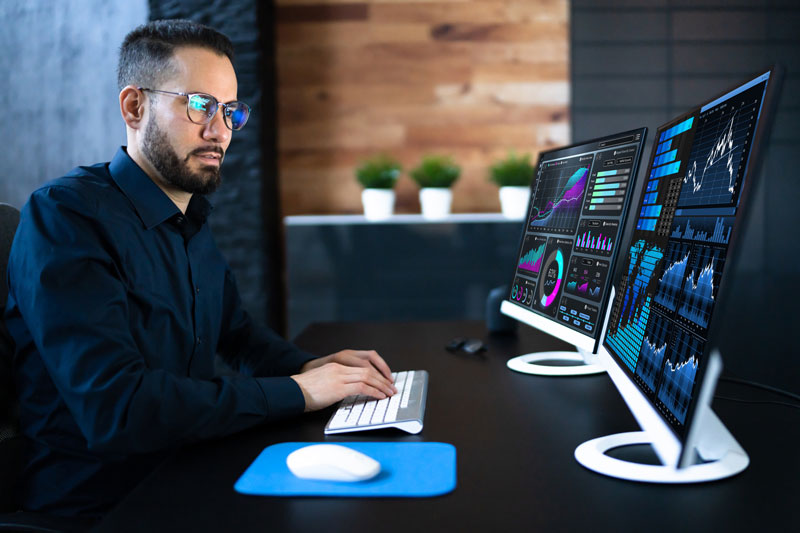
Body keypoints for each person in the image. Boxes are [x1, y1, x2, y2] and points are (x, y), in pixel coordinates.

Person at [4, 19, 396, 519]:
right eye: (199, 106)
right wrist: (298, 393)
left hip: (192, 469)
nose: (220, 132)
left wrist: (307, 367)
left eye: (231, 111)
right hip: (106, 505)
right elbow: (118, 408)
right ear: (134, 106)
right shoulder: (65, 217)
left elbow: (236, 333)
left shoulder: (188, 216)